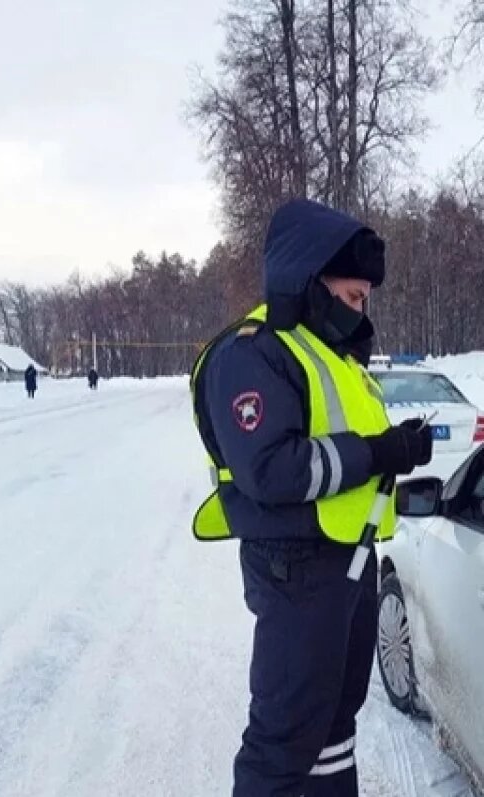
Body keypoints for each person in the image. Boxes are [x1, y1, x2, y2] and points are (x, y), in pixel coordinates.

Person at [189, 198, 434, 797]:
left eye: (364, 302)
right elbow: (273, 469)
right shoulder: (252, 354)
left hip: (348, 561)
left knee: (334, 724)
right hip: (296, 571)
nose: (359, 313)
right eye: (352, 298)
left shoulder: (328, 353)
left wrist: (396, 450)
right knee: (285, 738)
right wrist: (380, 452)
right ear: (310, 282)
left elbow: (344, 448)